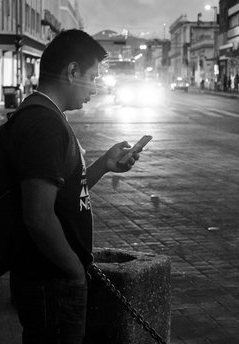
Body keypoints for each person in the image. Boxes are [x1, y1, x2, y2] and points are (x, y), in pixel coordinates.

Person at [8, 29, 142, 343]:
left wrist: (104, 166)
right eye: (93, 77)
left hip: (52, 276)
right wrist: (74, 271)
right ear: (72, 71)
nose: (96, 88)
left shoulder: (50, 116)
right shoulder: (44, 124)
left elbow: (64, 193)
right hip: (50, 279)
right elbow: (38, 216)